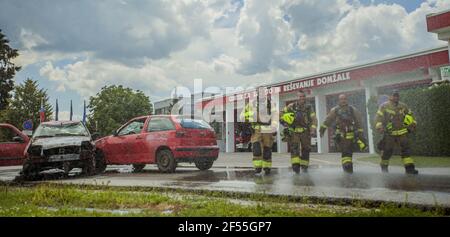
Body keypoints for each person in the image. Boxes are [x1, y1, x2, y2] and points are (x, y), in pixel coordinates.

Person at [319, 94, 366, 174]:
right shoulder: (335, 110)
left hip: (351, 137)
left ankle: (348, 170)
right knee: (346, 153)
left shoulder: (352, 109)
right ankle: (347, 170)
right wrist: (322, 129)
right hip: (341, 137)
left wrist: (361, 134)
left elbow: (359, 122)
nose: (343, 100)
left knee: (349, 155)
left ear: (347, 100)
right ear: (339, 100)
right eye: (341, 99)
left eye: (344, 99)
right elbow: (328, 120)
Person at [374, 90, 418, 175]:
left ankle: (409, 168)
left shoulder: (403, 106)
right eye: (394, 96)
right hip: (389, 134)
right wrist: (379, 127)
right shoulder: (384, 106)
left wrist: (412, 125)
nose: (396, 97)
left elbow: (410, 116)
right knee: (387, 151)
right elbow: (378, 118)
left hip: (402, 133)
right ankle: (384, 167)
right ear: (390, 96)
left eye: (397, 96)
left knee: (406, 150)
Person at [280, 90, 317, 174]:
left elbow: (314, 119)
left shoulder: (309, 107)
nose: (302, 98)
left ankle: (304, 167)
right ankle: (295, 167)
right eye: (300, 96)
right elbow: (281, 113)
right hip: (294, 132)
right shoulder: (291, 106)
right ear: (297, 97)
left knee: (306, 149)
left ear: (305, 97)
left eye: (303, 96)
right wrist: (283, 121)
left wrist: (313, 128)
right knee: (294, 149)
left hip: (305, 132)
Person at [240, 97, 278, 175]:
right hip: (256, 130)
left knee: (267, 150)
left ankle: (267, 168)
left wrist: (274, 127)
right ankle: (257, 168)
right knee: (256, 149)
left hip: (268, 130)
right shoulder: (251, 104)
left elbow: (275, 116)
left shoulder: (270, 104)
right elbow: (242, 116)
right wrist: (251, 115)